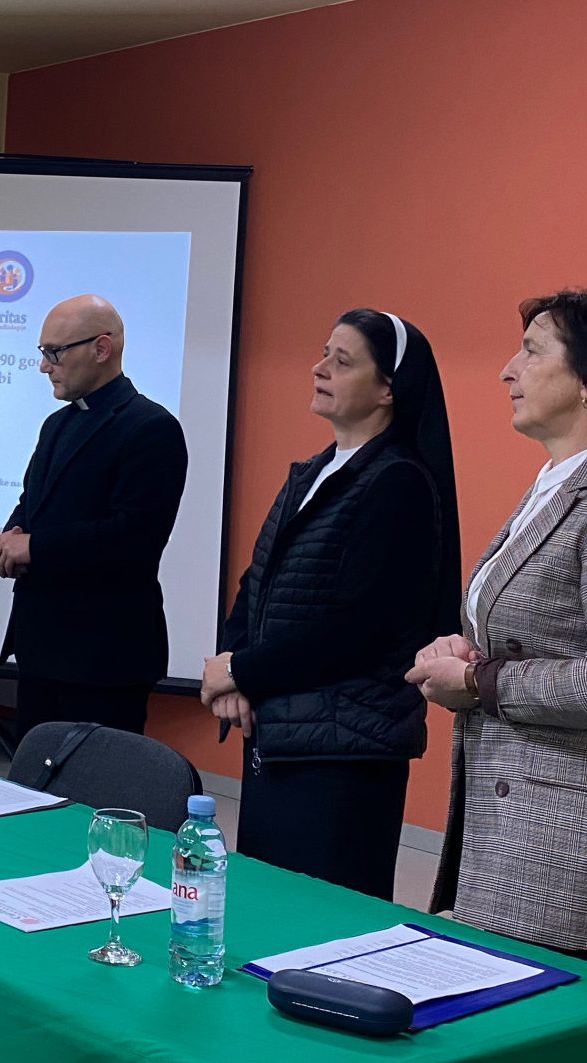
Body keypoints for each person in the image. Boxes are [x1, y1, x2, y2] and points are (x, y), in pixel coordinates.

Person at [406, 289, 587, 966]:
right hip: (516, 822)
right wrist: (463, 650)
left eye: (532, 351)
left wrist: (477, 679)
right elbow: (527, 633)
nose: (507, 369)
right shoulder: (555, 485)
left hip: (567, 838)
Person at [199, 309, 459, 900]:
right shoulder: (314, 470)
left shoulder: (398, 482)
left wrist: (240, 670)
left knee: (322, 924)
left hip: (344, 752)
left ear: (388, 388)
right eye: (323, 354)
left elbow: (357, 629)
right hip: (284, 732)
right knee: (267, 910)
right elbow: (257, 583)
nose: (319, 369)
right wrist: (233, 669)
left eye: (342, 362)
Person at [0, 294, 187, 738]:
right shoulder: (56, 424)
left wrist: (34, 547)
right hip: (40, 648)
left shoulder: (150, 427)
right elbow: (32, 503)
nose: (44, 366)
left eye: (54, 352)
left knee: (96, 781)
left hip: (103, 658)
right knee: (32, 779)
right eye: (43, 352)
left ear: (101, 348)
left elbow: (134, 538)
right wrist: (11, 537)